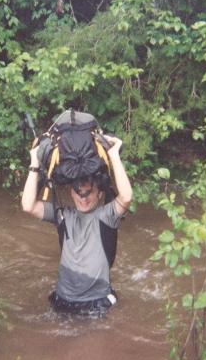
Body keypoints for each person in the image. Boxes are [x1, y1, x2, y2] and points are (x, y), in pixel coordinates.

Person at [21, 135, 132, 315]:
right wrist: (35, 162)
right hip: (63, 299)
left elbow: (126, 197)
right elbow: (28, 205)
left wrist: (114, 155)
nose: (84, 198)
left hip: (96, 302)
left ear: (99, 194)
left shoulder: (107, 216)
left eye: (89, 193)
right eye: (78, 193)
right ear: (71, 194)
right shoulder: (62, 215)